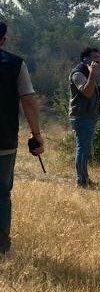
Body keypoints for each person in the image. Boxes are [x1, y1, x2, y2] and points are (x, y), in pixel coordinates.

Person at [0, 21, 44, 257]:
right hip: (3, 141)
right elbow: (28, 100)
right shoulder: (15, 64)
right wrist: (36, 136)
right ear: (3, 40)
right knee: (1, 194)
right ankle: (1, 247)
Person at [69, 47, 100, 187]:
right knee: (82, 149)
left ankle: (84, 178)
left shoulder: (87, 73)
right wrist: (93, 73)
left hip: (89, 117)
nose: (96, 63)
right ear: (85, 59)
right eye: (94, 60)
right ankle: (81, 181)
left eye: (98, 61)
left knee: (85, 149)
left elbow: (91, 89)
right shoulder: (78, 74)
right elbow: (86, 92)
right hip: (82, 118)